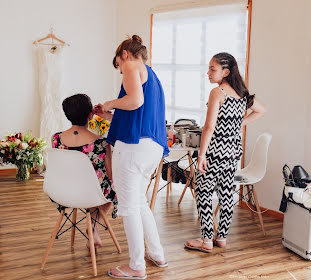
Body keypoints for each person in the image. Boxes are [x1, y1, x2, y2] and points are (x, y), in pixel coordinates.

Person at [97, 35, 168, 279]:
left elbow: (134, 101)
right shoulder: (152, 74)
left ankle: (137, 266)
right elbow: (135, 112)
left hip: (134, 147)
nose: (121, 71)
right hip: (152, 147)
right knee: (140, 202)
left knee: (128, 206)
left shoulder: (130, 66)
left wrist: (109, 102)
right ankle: (157, 253)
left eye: (118, 65)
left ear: (124, 55)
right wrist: (108, 111)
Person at [185, 52, 266, 252]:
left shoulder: (218, 93)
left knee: (203, 193)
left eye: (213, 69)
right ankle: (221, 237)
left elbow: (209, 127)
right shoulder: (242, 94)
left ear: (226, 71)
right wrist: (239, 124)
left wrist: (201, 155)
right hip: (233, 153)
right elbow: (261, 110)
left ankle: (205, 241)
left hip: (214, 152)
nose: (208, 72)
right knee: (226, 194)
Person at [51, 93, 117, 250]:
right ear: (90, 114)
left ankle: (93, 228)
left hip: (63, 191)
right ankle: (93, 227)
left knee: (95, 187)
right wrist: (102, 117)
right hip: (91, 193)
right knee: (112, 189)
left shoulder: (56, 138)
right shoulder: (101, 141)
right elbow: (111, 173)